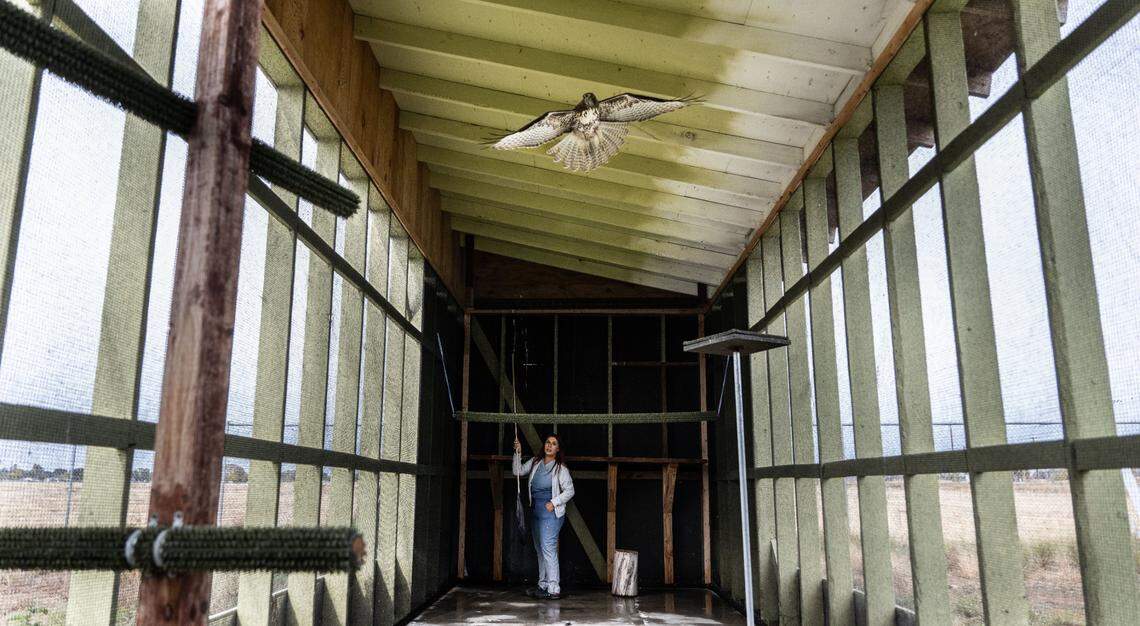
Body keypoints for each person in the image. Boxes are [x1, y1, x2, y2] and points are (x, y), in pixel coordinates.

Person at [513, 432, 574, 600]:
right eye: (548, 442)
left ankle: (554, 588)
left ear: (558, 449)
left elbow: (570, 491)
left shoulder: (561, 469)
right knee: (540, 550)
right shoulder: (535, 462)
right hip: (535, 511)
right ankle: (543, 585)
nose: (549, 445)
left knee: (548, 549)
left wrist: (553, 502)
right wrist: (517, 453)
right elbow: (517, 471)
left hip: (551, 514)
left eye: (553, 443)